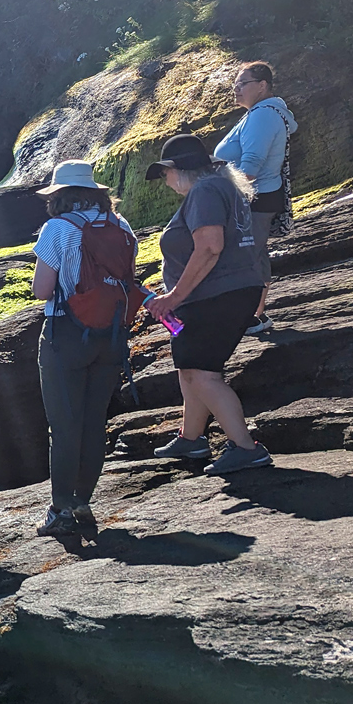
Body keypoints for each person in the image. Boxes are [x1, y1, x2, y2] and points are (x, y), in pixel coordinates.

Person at [144, 135, 271, 475]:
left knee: (203, 375)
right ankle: (192, 438)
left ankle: (245, 447)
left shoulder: (204, 192)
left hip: (215, 296)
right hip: (227, 292)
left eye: (166, 174)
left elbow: (210, 247)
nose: (166, 183)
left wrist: (173, 297)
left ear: (179, 169)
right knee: (191, 370)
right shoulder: (224, 188)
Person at [30, 161, 136, 536]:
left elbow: (43, 290)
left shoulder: (57, 228)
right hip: (110, 335)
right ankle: (83, 501)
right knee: (94, 422)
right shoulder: (120, 226)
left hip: (66, 333)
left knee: (64, 425)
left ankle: (60, 510)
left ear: (59, 195)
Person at [215, 62, 297, 335]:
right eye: (235, 85)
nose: (236, 90)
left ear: (262, 86)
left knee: (245, 257)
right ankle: (256, 313)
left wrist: (216, 192)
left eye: (242, 84)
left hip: (254, 200)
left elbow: (250, 167)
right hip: (259, 198)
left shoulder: (263, 115)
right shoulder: (262, 113)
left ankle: (250, 316)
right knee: (255, 254)